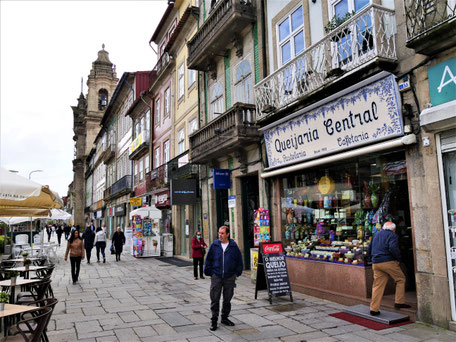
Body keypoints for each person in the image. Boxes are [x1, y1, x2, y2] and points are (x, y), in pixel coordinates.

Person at [204, 226, 243, 331]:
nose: (220, 235)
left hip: (229, 277)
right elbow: (208, 260)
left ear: (227, 234)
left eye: (222, 233)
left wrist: (237, 273)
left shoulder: (233, 246)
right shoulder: (214, 245)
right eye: (219, 233)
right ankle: (214, 320)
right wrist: (209, 272)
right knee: (215, 299)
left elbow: (239, 260)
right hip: (216, 276)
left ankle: (224, 318)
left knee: (227, 299)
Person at [367, 221, 411, 316]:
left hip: (376, 262)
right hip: (388, 261)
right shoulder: (392, 235)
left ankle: (374, 309)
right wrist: (398, 259)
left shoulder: (376, 234)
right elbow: (393, 248)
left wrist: (371, 259)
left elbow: (369, 248)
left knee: (377, 285)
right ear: (394, 229)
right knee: (400, 279)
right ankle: (399, 302)